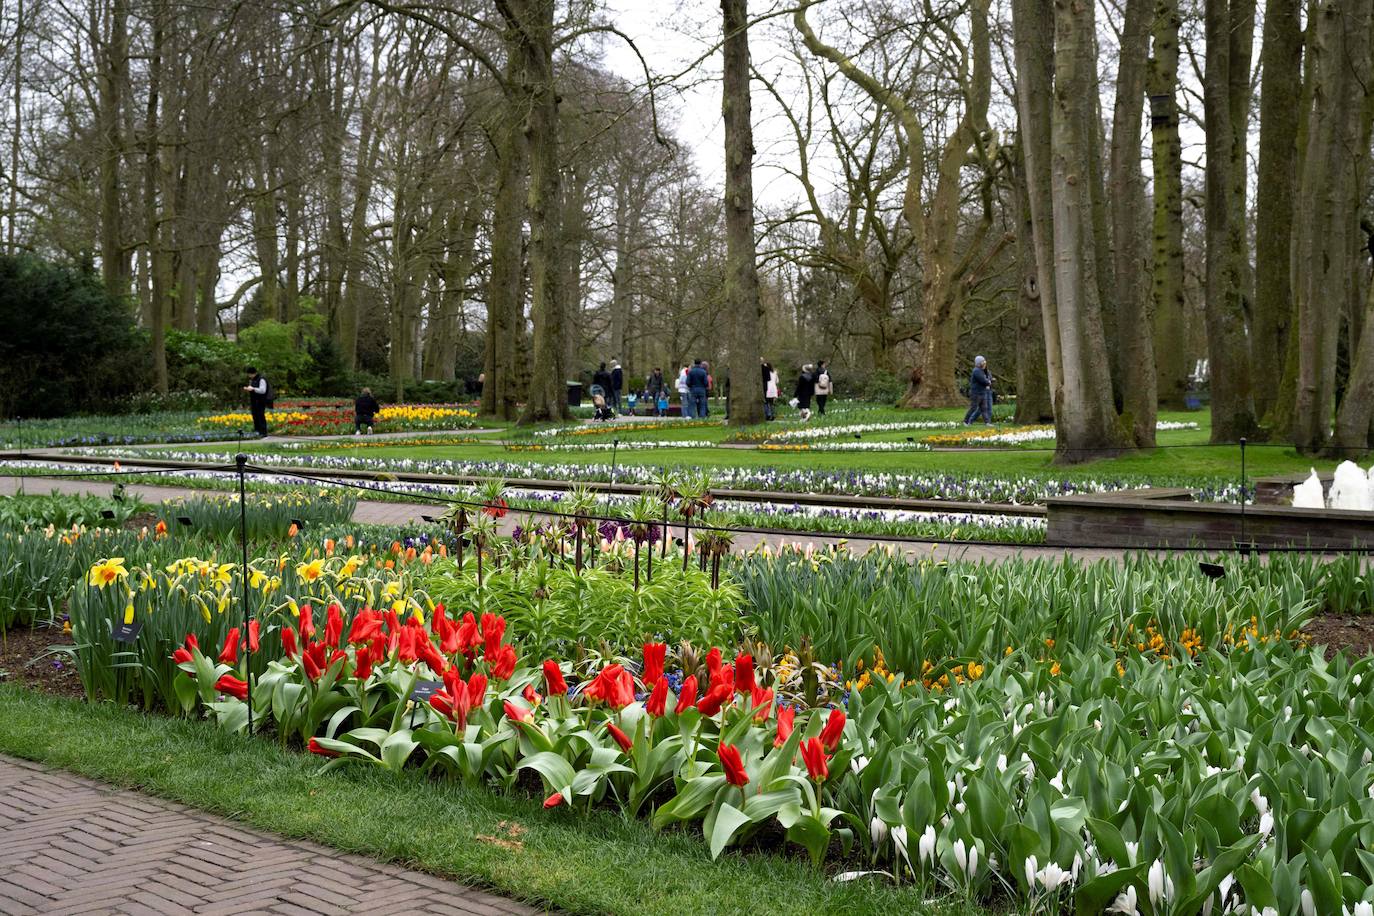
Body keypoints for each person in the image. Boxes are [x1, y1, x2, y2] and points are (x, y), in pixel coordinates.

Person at [964, 355, 993, 425]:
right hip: (976, 393)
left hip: (982, 392)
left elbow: (988, 377)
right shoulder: (976, 371)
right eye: (983, 362)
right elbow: (983, 380)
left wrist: (988, 380)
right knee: (973, 408)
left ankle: (987, 422)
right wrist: (988, 381)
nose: (984, 363)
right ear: (979, 363)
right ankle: (966, 421)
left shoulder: (982, 370)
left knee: (984, 409)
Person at [243, 367, 270, 437]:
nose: (249, 376)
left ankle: (263, 432)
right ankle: (257, 431)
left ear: (253, 373)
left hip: (260, 401)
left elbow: (263, 390)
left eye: (249, 374)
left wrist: (253, 389)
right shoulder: (252, 380)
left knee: (260, 415)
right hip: (254, 401)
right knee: (255, 416)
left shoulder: (262, 379)